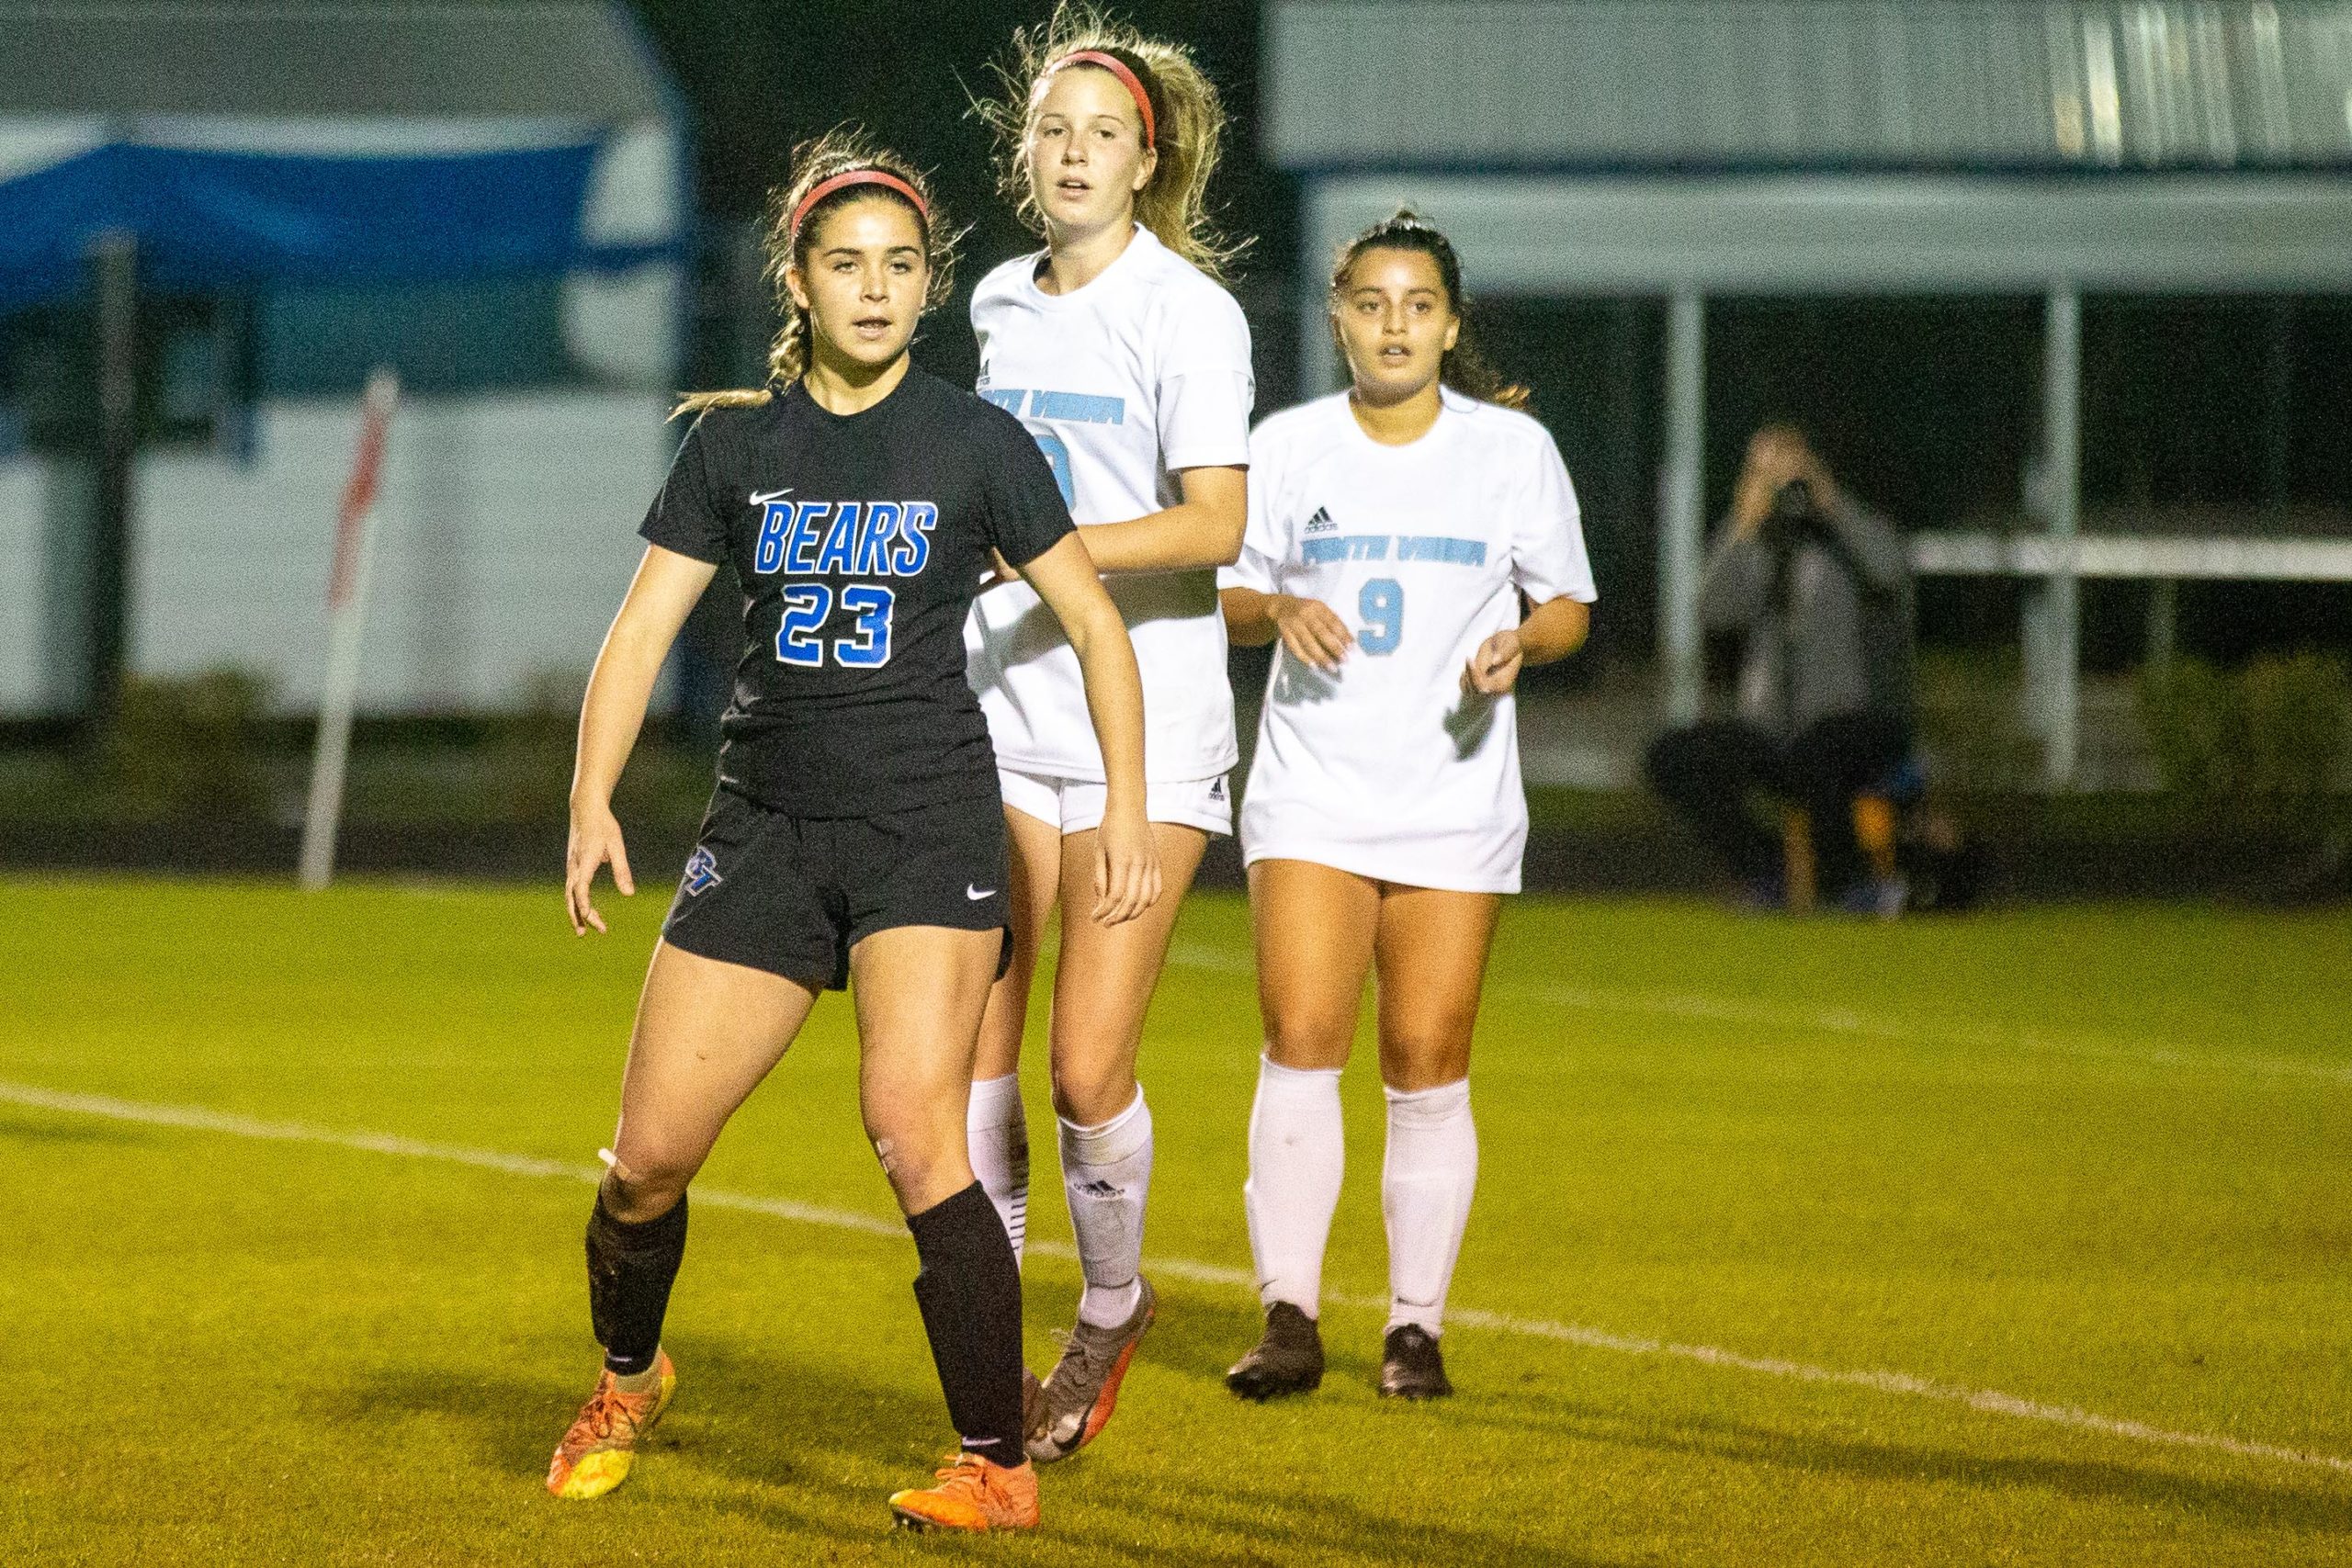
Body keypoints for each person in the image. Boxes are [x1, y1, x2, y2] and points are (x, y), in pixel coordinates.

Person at [546, 130, 1161, 1536]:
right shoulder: (737, 445)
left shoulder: (977, 442)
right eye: (846, 263)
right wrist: (590, 798)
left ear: (927, 283)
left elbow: (1097, 628)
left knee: (913, 1127)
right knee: (646, 1160)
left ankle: (994, 1462)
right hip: (763, 826)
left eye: (899, 265)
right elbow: (640, 633)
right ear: (800, 279)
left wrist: (1125, 804)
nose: (874, 289)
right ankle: (630, 1378)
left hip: (925, 823)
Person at [1216, 211, 1594, 1401]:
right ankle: (1290, 1314)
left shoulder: (1511, 451)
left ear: (1451, 322)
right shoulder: (1286, 446)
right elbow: (1226, 591)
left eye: (1417, 304)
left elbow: (1570, 604)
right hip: (1313, 790)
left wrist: (1522, 640)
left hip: (1453, 795)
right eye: (1371, 302)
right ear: (1338, 317)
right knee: (1303, 1034)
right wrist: (1279, 611)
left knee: (1428, 1055)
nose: (1394, 324)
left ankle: (1415, 1326)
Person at [961, 6, 1252, 1461]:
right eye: (1054, 130)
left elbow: (1218, 522)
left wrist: (1046, 550)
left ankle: (1115, 1302)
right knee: (976, 1054)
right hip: (1000, 715)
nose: (1076, 153)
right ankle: (992, 1375)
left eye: (1104, 134)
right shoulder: (1000, 302)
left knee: (1087, 1069)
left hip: (1152, 725)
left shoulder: (1189, 310)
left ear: (1149, 159)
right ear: (1026, 155)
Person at [1644, 423, 1914, 913]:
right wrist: (1742, 525)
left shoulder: (1843, 543)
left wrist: (1825, 496)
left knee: (1820, 751)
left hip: (1853, 719)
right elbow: (1714, 610)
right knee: (1673, 755)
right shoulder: (1758, 546)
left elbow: (1890, 566)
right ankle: (1763, 869)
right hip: (1772, 728)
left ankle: (1849, 887)